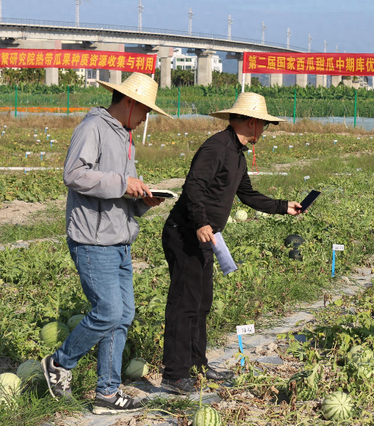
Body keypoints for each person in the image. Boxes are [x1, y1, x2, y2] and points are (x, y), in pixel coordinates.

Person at [41, 73, 170, 414]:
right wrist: (122, 182)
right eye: (145, 110)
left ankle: (107, 394)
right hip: (92, 240)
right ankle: (59, 363)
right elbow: (74, 174)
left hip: (119, 239)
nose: (146, 117)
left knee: (123, 314)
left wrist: (143, 201)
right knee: (108, 311)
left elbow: (118, 191)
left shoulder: (124, 137)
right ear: (129, 103)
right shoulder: (93, 128)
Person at [161, 92, 304, 394]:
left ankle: (197, 364)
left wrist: (283, 206)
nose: (264, 130)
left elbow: (247, 194)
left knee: (201, 303)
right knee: (184, 303)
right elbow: (193, 187)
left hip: (206, 237)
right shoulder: (217, 147)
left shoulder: (237, 154)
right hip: (186, 232)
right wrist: (200, 221)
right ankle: (174, 374)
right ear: (251, 122)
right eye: (263, 124)